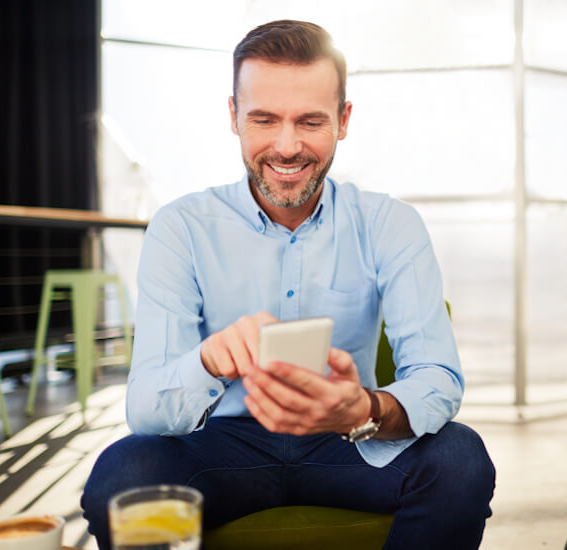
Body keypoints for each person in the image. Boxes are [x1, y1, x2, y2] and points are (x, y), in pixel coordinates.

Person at [82, 19, 495, 549]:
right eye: (263, 119)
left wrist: (365, 409)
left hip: (350, 441)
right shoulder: (180, 227)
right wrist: (208, 360)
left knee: (460, 460)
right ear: (233, 116)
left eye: (310, 121)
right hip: (221, 446)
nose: (286, 146)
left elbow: (438, 377)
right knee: (121, 475)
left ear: (343, 121)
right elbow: (145, 407)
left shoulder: (389, 224)